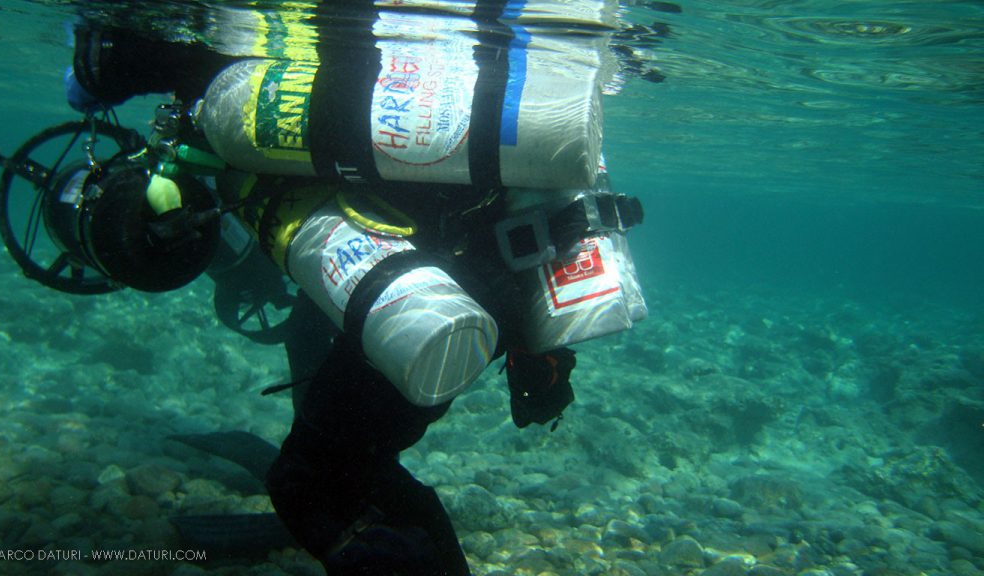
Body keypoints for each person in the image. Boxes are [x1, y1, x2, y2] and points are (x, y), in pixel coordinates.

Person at [56, 4, 644, 574]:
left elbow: (110, 69)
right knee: (314, 332)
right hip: (521, 248)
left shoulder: (229, 90)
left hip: (433, 291)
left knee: (309, 481)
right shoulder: (385, 76)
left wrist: (98, 76)